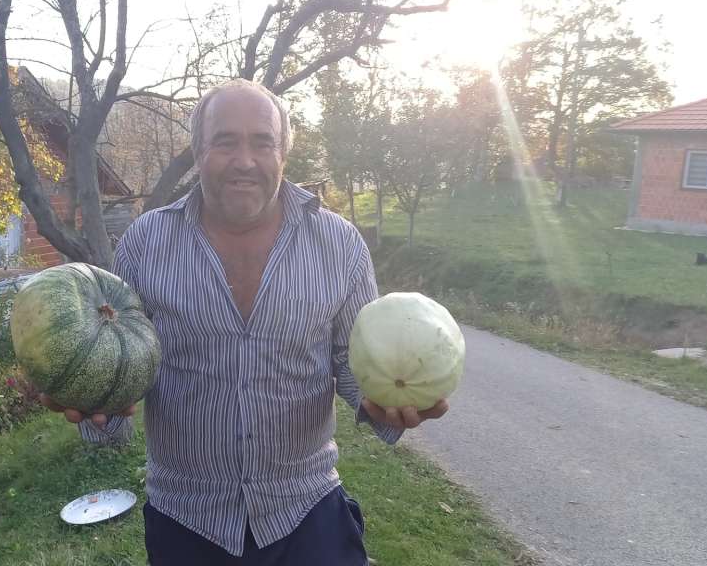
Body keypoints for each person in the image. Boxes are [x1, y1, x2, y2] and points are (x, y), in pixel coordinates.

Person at [40, 79, 449, 565]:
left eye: (262, 142)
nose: (245, 161)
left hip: (305, 508)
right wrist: (93, 403)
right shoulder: (145, 243)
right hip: (188, 516)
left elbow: (352, 356)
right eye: (225, 141)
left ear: (283, 154)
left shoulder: (340, 244)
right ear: (198, 151)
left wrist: (381, 403)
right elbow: (121, 358)